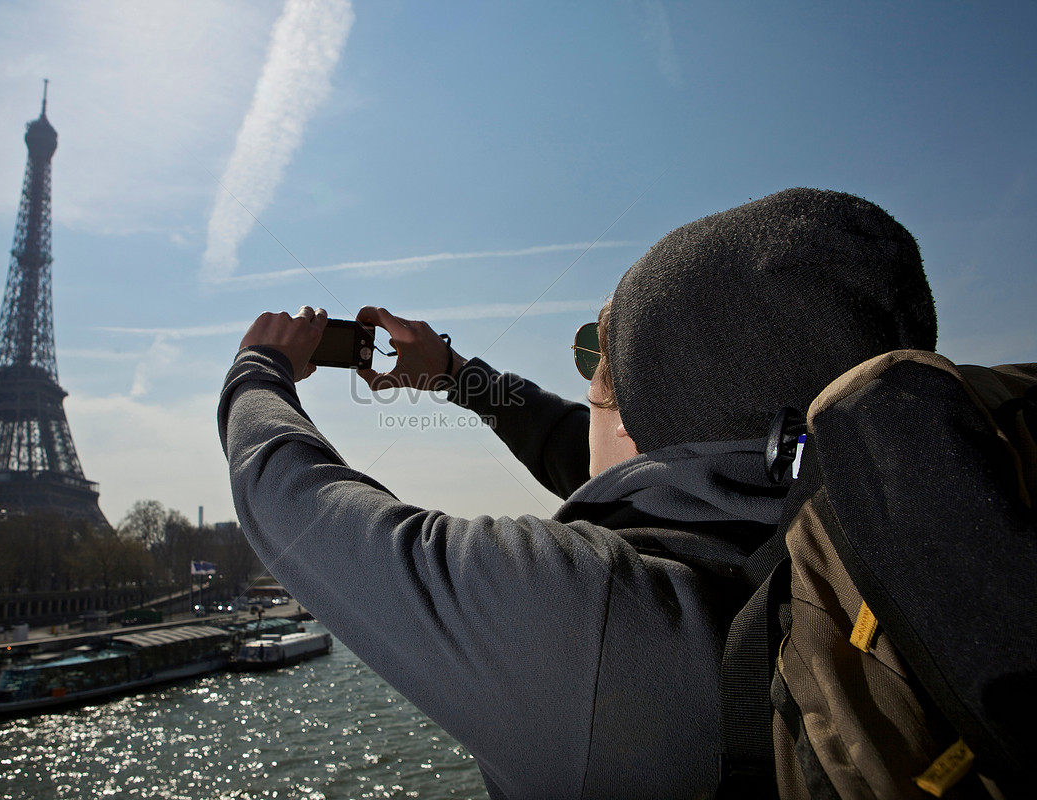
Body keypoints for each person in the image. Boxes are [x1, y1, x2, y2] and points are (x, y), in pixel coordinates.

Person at [217, 188, 938, 799]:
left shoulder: (585, 615)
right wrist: (451, 372)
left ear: (637, 416)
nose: (585, 382)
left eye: (596, 359)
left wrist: (260, 368)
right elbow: (608, 462)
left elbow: (295, 506)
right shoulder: (882, 529)